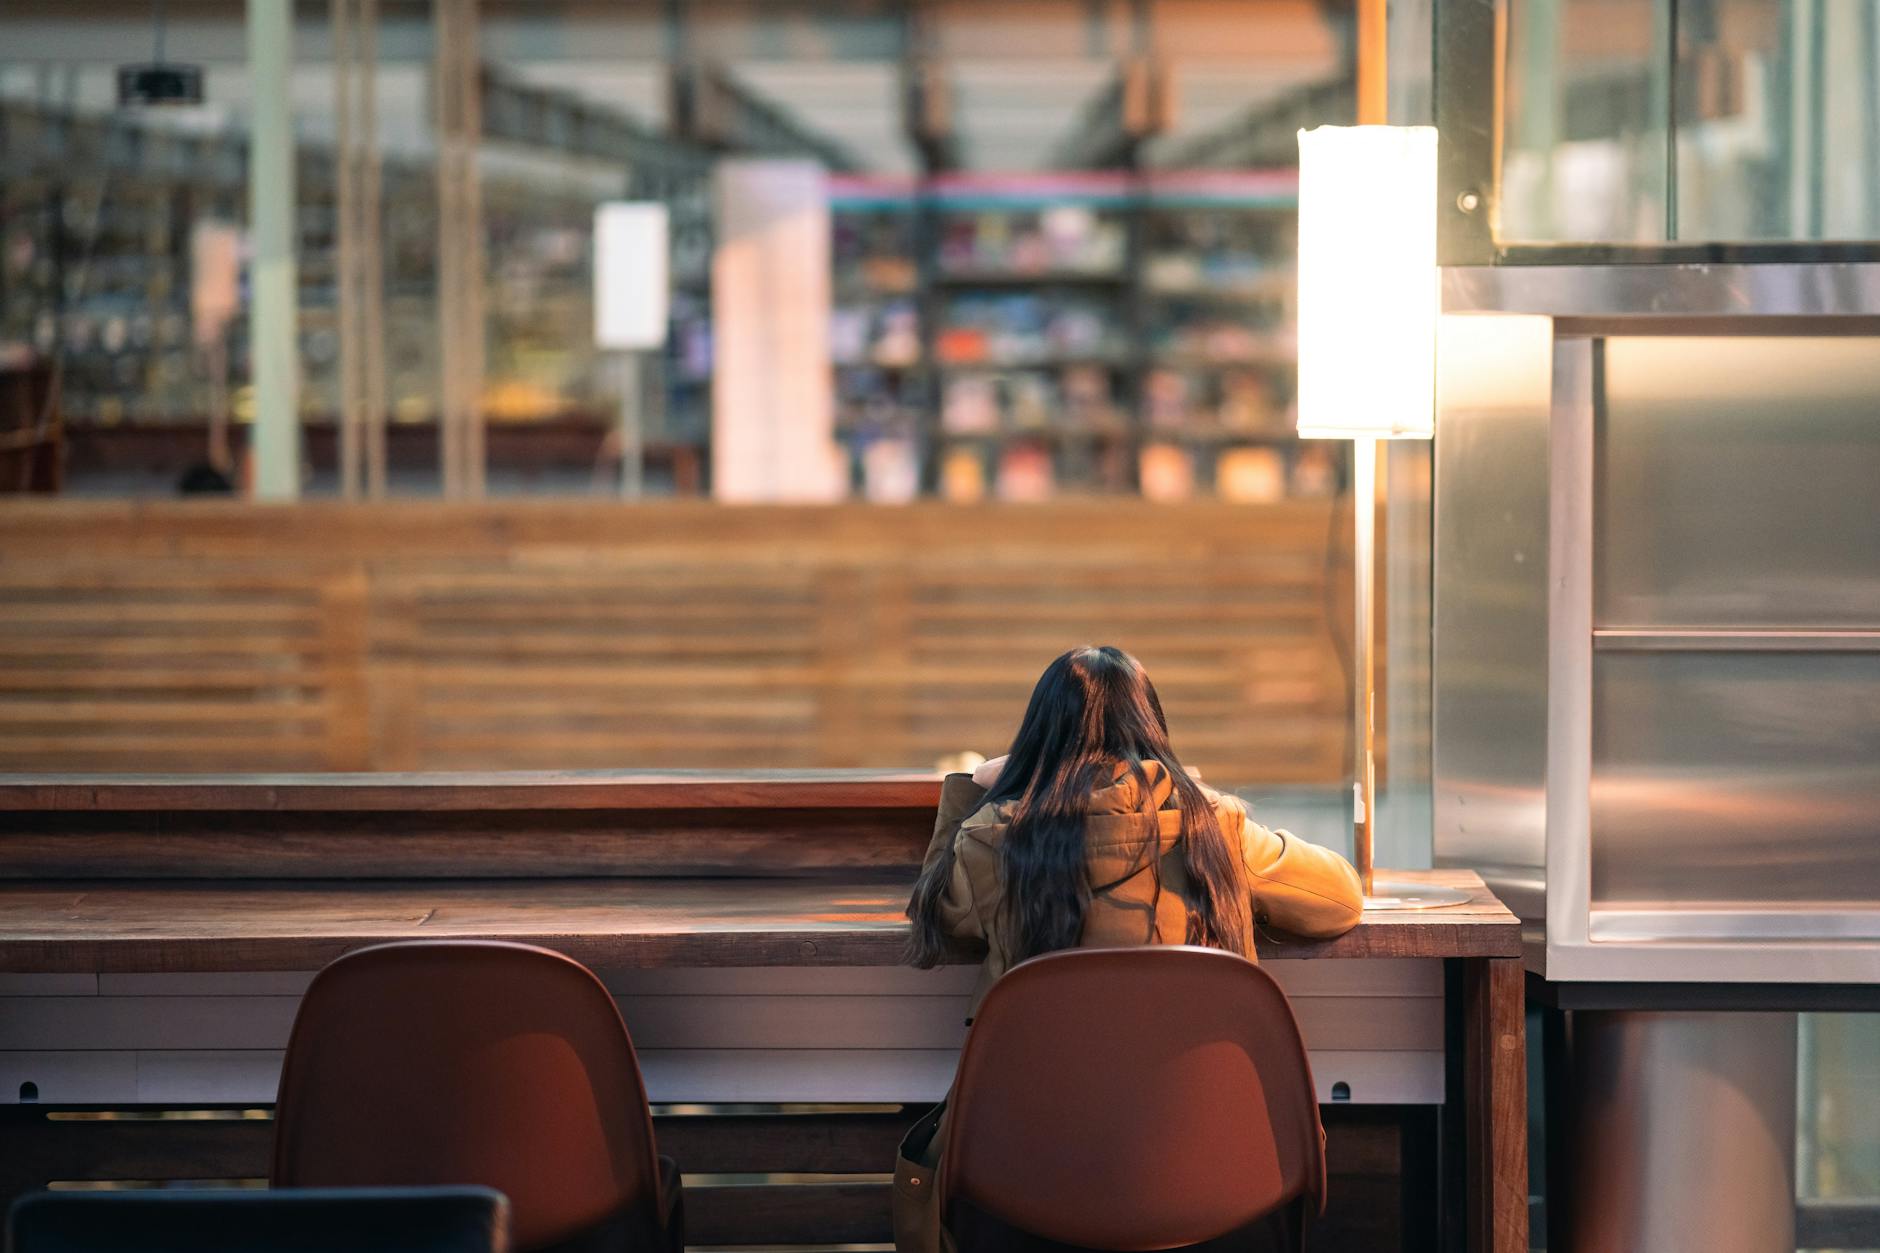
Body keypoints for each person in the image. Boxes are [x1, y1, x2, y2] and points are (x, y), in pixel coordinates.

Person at [894, 645, 1364, 1252]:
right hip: (1215, 1173)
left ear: (1037, 740)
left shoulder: (993, 844)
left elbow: (932, 912)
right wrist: (1191, 789)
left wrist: (970, 787)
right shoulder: (1214, 831)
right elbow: (1341, 900)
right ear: (1153, 733)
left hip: (1033, 1175)